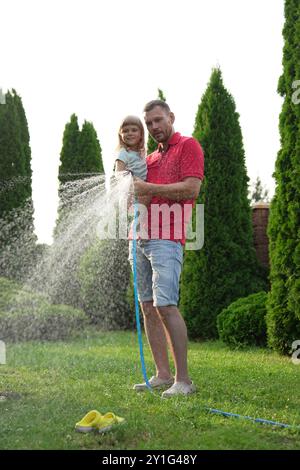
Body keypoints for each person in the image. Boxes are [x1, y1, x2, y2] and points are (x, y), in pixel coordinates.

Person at [131, 100, 204, 398]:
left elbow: (190, 189)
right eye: (149, 123)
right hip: (141, 240)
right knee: (148, 306)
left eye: (158, 120)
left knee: (165, 304)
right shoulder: (149, 160)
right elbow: (141, 200)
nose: (154, 127)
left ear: (171, 117)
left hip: (167, 238)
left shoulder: (188, 146)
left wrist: (150, 190)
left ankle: (183, 380)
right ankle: (163, 374)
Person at [115, 115, 147, 180]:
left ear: (141, 134)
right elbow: (118, 175)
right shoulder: (124, 153)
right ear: (121, 135)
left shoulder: (141, 152)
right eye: (125, 131)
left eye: (134, 130)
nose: (130, 133)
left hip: (145, 188)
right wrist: (128, 176)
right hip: (131, 189)